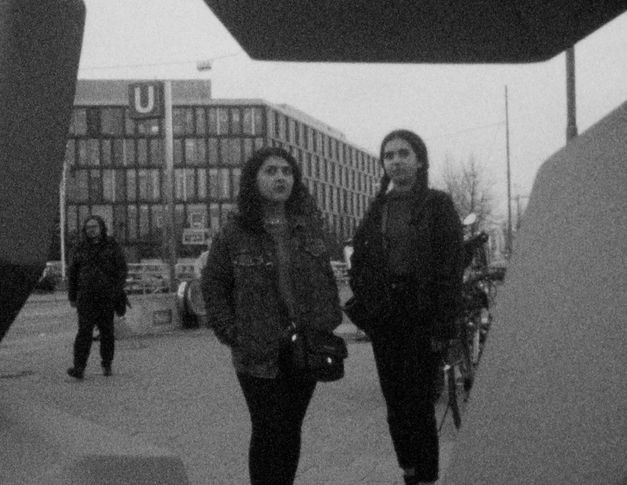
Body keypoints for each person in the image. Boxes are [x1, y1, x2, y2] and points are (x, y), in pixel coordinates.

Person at [201, 147, 343, 485]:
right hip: (257, 347)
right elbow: (213, 284)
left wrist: (328, 323)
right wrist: (231, 331)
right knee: (267, 429)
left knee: (291, 428)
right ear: (254, 179)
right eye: (270, 171)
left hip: (306, 346)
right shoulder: (235, 231)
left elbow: (325, 278)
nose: (280, 177)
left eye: (286, 171)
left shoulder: (309, 228)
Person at [348, 130, 463, 485]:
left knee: (419, 404)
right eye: (389, 155)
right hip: (386, 318)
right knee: (395, 403)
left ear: (420, 159)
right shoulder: (377, 208)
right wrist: (368, 302)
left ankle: (425, 476)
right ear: (383, 164)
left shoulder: (438, 204)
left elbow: (451, 266)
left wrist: (443, 323)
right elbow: (361, 261)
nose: (396, 160)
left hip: (422, 315)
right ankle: (408, 470)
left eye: (403, 153)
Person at [67, 215, 127, 379]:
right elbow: (73, 273)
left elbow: (122, 270)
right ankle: (79, 367)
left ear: (101, 228)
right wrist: (72, 296)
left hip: (106, 297)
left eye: (94, 226)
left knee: (107, 332)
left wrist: (116, 291)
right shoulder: (80, 248)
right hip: (86, 296)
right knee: (84, 332)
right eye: (88, 227)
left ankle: (106, 363)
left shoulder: (111, 246)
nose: (91, 230)